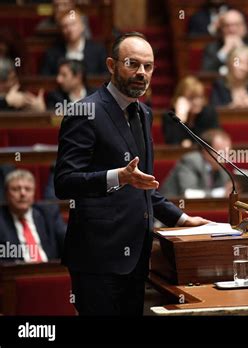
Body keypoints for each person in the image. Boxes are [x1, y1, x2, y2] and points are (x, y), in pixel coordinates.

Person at [54, 32, 209, 316]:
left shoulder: (144, 114)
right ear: (112, 65)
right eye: (132, 64)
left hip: (137, 256)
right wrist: (117, 177)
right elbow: (64, 183)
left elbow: (144, 183)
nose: (142, 73)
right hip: (97, 257)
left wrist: (182, 218)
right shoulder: (85, 112)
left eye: (148, 66)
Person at [0, 169, 66, 262]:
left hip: (50, 271)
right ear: (6, 193)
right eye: (15, 189)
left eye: (28, 189)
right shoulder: (2, 220)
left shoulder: (48, 214)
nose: (23, 193)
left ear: (34, 193)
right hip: (16, 274)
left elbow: (68, 243)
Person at [161, 129, 232, 197]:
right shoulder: (190, 161)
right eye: (221, 152)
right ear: (206, 151)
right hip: (171, 206)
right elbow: (188, 193)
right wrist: (220, 193)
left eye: (227, 153)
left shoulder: (222, 170)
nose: (225, 158)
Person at [40, 8, 107, 76]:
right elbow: (45, 80)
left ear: (83, 26)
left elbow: (106, 78)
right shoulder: (52, 53)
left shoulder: (98, 50)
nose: (69, 29)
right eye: (65, 26)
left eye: (73, 24)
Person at [201, 8, 248, 73]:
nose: (232, 29)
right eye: (227, 25)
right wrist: (224, 51)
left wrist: (242, 49)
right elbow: (206, 72)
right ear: (221, 29)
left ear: (244, 27)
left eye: (236, 25)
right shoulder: (212, 47)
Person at [162, 76, 219, 147]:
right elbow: (172, 143)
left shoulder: (209, 113)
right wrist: (180, 117)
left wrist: (191, 144)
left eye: (200, 97)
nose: (197, 102)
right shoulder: (170, 116)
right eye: (191, 98)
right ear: (180, 99)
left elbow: (212, 141)